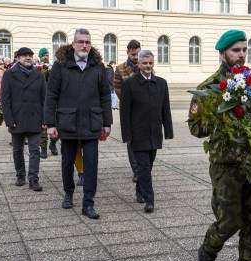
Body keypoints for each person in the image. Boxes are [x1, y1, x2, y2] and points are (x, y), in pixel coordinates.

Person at [188, 30, 251, 261]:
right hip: (227, 167)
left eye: (245, 49)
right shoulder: (209, 88)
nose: (242, 55)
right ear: (223, 53)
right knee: (229, 222)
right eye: (236, 50)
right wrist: (217, 117)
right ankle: (208, 249)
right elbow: (195, 128)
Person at [44, 28, 112, 219]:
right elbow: (51, 96)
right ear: (73, 44)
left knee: (91, 165)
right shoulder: (60, 66)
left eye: (87, 42)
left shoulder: (98, 66)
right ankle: (68, 192)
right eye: (81, 42)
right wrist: (50, 123)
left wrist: (107, 121)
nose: (84, 45)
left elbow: (105, 95)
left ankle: (88, 203)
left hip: (92, 123)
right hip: (68, 123)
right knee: (67, 163)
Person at [120, 50, 173, 213]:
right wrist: (127, 135)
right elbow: (125, 112)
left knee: (148, 166)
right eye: (144, 63)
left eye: (150, 63)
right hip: (138, 134)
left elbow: (166, 108)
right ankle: (150, 200)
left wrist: (168, 131)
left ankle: (139, 191)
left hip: (154, 133)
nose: (148, 66)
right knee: (143, 167)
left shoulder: (161, 83)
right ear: (139, 64)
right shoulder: (130, 84)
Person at [0, 47, 45, 191]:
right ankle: (20, 175)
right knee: (17, 150)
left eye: (30, 55)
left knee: (35, 150)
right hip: (17, 119)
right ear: (17, 58)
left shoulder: (39, 74)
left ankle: (33, 179)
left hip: (35, 118)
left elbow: (45, 99)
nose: (28, 57)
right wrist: (9, 119)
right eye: (24, 55)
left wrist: (45, 118)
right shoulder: (9, 74)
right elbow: (5, 99)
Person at [114, 40, 141, 183]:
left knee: (142, 138)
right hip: (128, 110)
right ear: (128, 53)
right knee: (130, 140)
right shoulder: (120, 69)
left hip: (143, 110)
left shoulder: (145, 66)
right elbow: (117, 88)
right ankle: (136, 170)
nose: (136, 57)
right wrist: (129, 100)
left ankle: (143, 167)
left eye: (137, 54)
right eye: (133, 54)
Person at [37, 48, 58, 158]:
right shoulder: (36, 68)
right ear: (40, 56)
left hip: (52, 100)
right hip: (40, 100)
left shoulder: (53, 67)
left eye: (47, 55)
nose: (46, 57)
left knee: (56, 125)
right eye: (44, 55)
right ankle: (43, 148)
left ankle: (53, 144)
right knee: (43, 127)